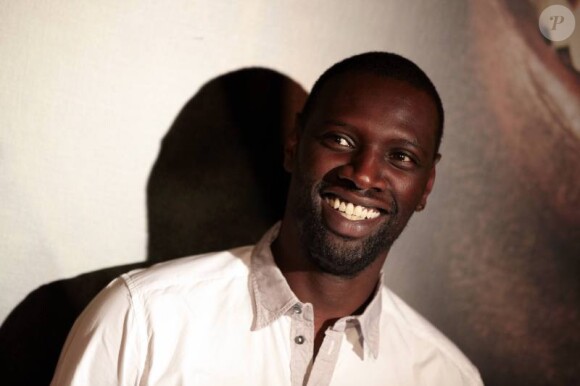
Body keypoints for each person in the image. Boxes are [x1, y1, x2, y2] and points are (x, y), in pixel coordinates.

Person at [51, 52, 483, 385]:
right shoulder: (142, 318)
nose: (365, 173)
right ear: (294, 145)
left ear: (426, 186)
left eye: (401, 157)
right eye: (341, 139)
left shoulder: (447, 376)